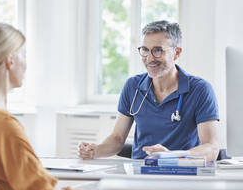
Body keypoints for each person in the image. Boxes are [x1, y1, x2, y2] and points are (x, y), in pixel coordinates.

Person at [0, 23, 107, 190]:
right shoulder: (2, 125)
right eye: (23, 55)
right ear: (10, 60)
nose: (26, 64)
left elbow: (16, 183)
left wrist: (55, 188)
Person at [79, 20, 219, 162]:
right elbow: (117, 138)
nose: (149, 58)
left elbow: (211, 148)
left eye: (158, 50)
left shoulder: (200, 90)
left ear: (176, 53)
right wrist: (95, 150)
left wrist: (172, 156)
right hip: (139, 174)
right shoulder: (133, 86)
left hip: (181, 173)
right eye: (145, 50)